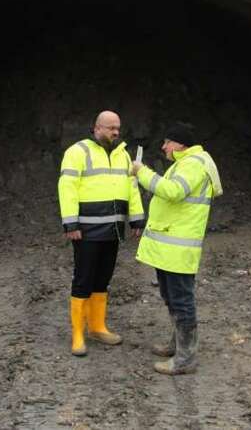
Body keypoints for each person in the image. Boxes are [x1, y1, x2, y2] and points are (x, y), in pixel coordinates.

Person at [131, 122, 222, 375]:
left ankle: (186, 358)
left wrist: (142, 172)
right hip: (170, 246)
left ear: (180, 144)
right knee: (171, 297)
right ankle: (178, 345)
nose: (163, 147)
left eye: (167, 142)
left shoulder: (193, 164)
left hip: (178, 248)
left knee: (182, 300)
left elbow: (173, 191)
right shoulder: (185, 163)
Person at [58, 111, 146, 357]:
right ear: (96, 127)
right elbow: (67, 188)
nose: (116, 132)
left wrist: (137, 219)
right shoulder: (77, 152)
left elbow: (132, 187)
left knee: (102, 280)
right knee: (83, 279)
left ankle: (97, 326)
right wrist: (71, 223)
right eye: (110, 128)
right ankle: (78, 334)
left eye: (118, 128)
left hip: (112, 230)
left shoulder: (122, 155)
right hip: (86, 230)